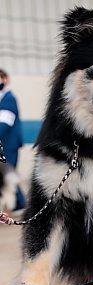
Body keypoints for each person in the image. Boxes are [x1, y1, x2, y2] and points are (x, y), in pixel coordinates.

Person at [0, 69, 25, 210]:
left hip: (8, 145)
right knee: (8, 176)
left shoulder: (8, 98)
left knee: (8, 175)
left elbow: (4, 123)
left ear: (5, 79)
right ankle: (19, 205)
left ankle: (19, 206)